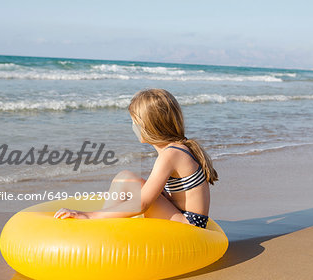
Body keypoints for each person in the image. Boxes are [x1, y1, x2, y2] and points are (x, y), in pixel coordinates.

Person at [54, 88, 218, 228]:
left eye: (134, 122)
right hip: (187, 217)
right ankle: (105, 217)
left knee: (126, 179)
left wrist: (89, 215)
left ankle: (99, 225)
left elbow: (142, 204)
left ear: (148, 126)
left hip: (189, 225)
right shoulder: (178, 147)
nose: (133, 127)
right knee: (128, 181)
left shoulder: (170, 154)